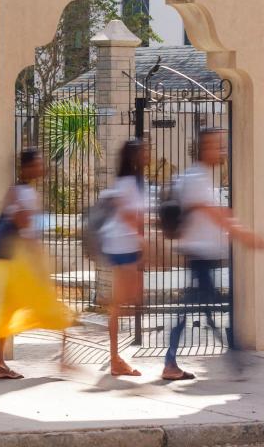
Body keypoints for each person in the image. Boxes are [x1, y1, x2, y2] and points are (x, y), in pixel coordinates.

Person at [162, 127, 264, 382]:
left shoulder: (201, 176)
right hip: (199, 253)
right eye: (215, 145)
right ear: (202, 148)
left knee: (200, 308)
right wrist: (245, 235)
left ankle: (177, 361)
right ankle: (233, 357)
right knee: (203, 307)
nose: (220, 149)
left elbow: (217, 211)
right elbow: (215, 213)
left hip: (201, 253)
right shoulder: (197, 177)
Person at [0, 147, 75, 380]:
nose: (41, 167)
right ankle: (65, 361)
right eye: (37, 163)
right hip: (22, 264)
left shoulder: (16, 191)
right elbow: (27, 231)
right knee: (52, 308)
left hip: (12, 263)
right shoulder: (24, 194)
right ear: (26, 168)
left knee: (7, 312)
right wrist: (39, 265)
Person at [99, 139, 148, 376]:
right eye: (143, 152)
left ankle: (115, 357)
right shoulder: (130, 183)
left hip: (122, 244)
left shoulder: (131, 182)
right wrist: (142, 241)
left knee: (125, 302)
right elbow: (129, 214)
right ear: (134, 158)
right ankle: (115, 359)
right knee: (125, 301)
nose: (148, 154)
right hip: (123, 246)